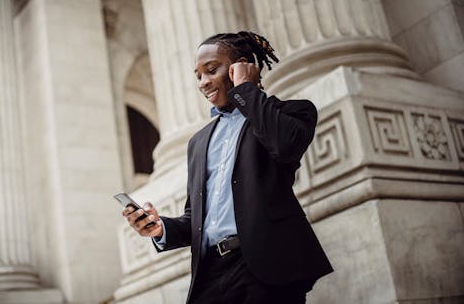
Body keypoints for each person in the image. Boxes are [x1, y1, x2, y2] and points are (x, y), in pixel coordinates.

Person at [122, 31, 333, 303]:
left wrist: (246, 88)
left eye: (211, 70)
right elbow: (196, 219)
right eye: (198, 75)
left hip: (267, 267)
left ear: (239, 67)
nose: (203, 83)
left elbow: (285, 145)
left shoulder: (292, 113)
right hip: (210, 274)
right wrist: (160, 227)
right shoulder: (198, 143)